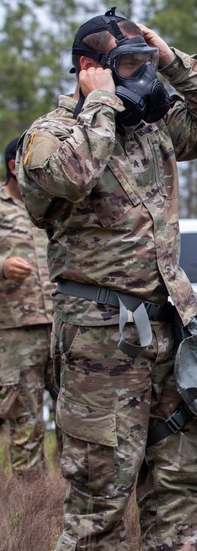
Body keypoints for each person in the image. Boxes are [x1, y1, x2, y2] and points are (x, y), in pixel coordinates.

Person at [17, 8, 197, 550]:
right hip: (100, 335)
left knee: (183, 485)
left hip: (171, 327)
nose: (142, 74)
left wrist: (172, 61)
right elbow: (68, 179)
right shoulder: (49, 135)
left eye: (146, 62)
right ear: (88, 67)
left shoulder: (153, 127)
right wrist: (98, 104)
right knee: (100, 497)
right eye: (129, 64)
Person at [0, 136, 56, 476]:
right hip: (16, 333)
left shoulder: (53, 206)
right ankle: (31, 509)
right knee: (25, 425)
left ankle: (76, 502)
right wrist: (2, 266)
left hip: (63, 325)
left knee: (79, 422)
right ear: (13, 166)